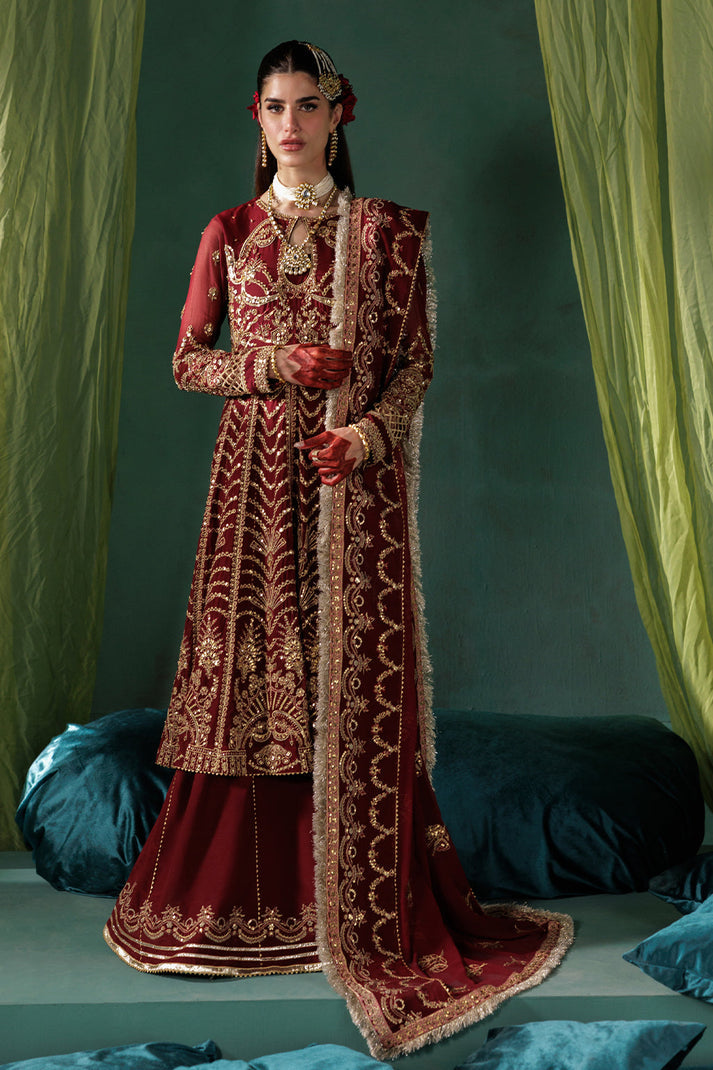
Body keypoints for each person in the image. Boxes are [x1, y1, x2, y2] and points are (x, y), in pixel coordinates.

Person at [104, 41, 572, 1058]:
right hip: (250, 487)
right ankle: (240, 901)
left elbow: (413, 367)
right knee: (252, 671)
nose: (291, 125)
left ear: (337, 114)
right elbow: (187, 360)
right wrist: (271, 362)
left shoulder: (386, 236)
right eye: (275, 107)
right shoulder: (229, 231)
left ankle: (352, 900)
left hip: (345, 485)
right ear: (256, 116)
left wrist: (363, 437)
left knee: (340, 674)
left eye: (307, 106)